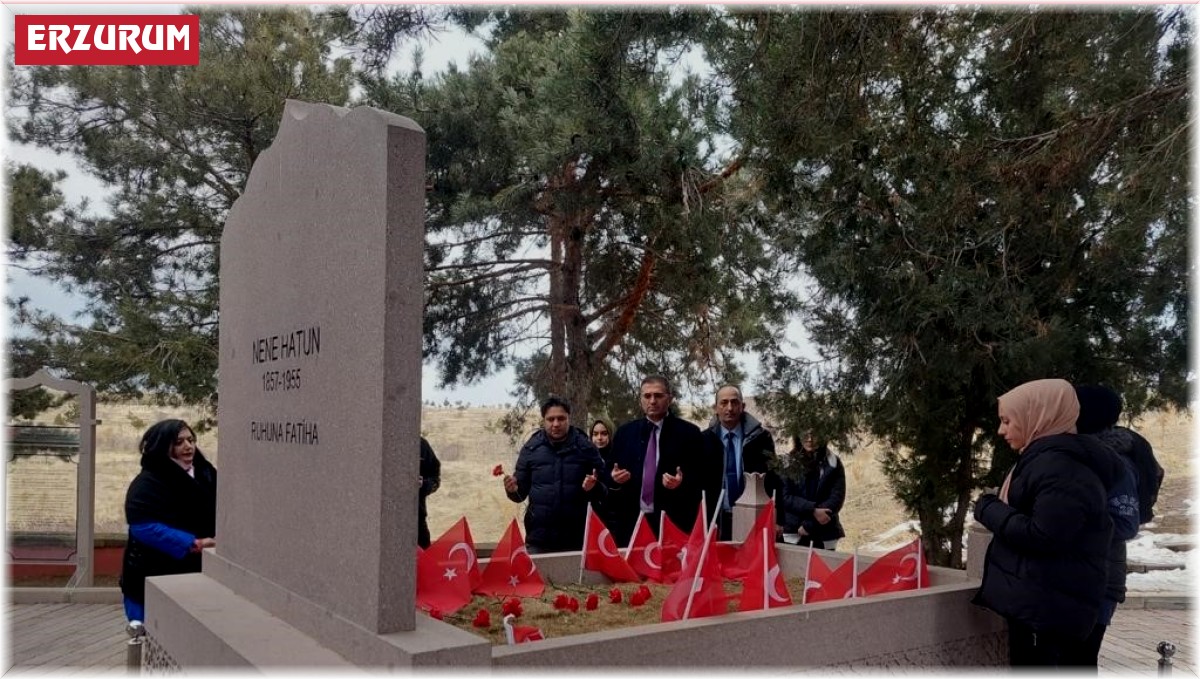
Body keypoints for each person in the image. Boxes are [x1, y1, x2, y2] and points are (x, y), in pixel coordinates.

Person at [972, 379, 1121, 668]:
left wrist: (988, 508)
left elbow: (1044, 535)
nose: (1001, 430)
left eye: (1007, 421)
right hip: (1041, 602)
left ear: (1037, 416)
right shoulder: (1046, 459)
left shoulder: (1061, 466)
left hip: (1046, 608)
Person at [1069, 384, 1163, 666]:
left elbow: (1125, 524)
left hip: (1100, 578)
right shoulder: (1084, 453)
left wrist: (1069, 518)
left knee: (1080, 661)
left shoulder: (1115, 460)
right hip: (1082, 574)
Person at [119, 419, 217, 624]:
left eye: (191, 440)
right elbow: (143, 526)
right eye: (179, 442)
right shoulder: (147, 483)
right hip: (152, 572)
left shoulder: (207, 473)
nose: (188, 446)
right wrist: (193, 543)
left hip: (199, 573)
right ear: (163, 445)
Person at [604, 375, 705, 546]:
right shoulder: (625, 433)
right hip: (632, 522)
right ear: (640, 399)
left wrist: (681, 483)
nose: (652, 401)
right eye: (647, 396)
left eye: (658, 395)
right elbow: (607, 473)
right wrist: (614, 478)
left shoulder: (689, 433)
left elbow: (701, 477)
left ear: (669, 398)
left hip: (672, 521)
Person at [502, 396, 607, 553]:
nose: (556, 424)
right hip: (539, 539)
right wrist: (512, 489)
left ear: (568, 418)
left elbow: (604, 493)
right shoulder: (531, 449)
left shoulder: (586, 448)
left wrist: (593, 487)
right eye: (551, 419)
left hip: (578, 539)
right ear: (544, 420)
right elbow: (519, 495)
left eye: (561, 418)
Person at [700, 385, 776, 541]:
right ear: (715, 408)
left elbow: (773, 478)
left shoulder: (761, 439)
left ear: (743, 406)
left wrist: (778, 518)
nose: (729, 408)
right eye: (724, 403)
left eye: (734, 402)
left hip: (753, 516)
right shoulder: (703, 440)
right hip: (715, 519)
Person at [773, 431, 845, 550]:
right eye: (805, 434)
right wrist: (813, 509)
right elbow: (785, 497)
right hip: (793, 532)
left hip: (824, 532)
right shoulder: (787, 463)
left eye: (814, 434)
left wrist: (810, 524)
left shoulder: (833, 463)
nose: (810, 439)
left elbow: (836, 498)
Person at [418, 437, 441, 548]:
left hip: (417, 518)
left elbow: (435, 478)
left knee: (424, 559)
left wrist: (424, 484)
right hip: (382, 519)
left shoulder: (421, 445)